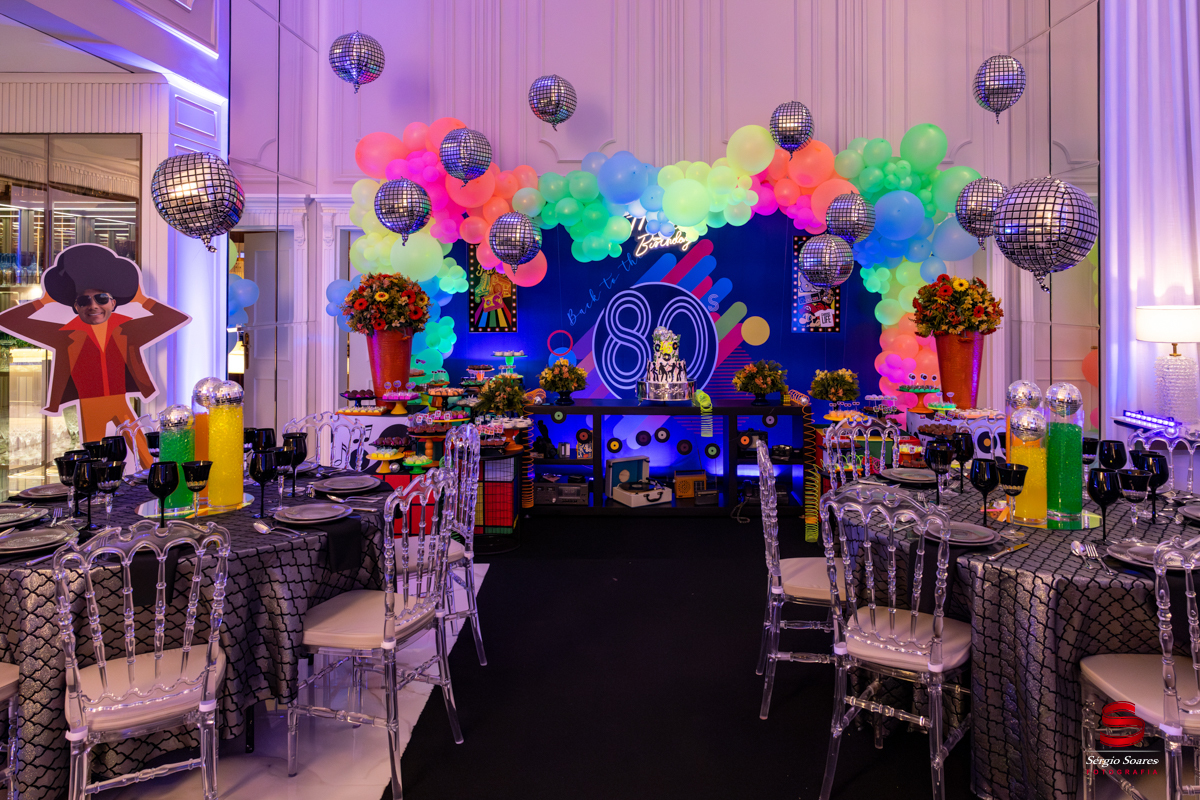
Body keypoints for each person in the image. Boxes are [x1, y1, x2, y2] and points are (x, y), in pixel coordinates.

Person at [0, 243, 190, 467]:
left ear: (113, 302)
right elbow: (7, 320)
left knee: (146, 456)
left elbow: (175, 319)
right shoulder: (63, 334)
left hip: (119, 400)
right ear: (76, 307)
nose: (93, 305)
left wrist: (142, 300)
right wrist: (43, 301)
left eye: (101, 298)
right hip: (89, 404)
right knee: (95, 464)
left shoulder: (128, 329)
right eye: (84, 301)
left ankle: (154, 484)